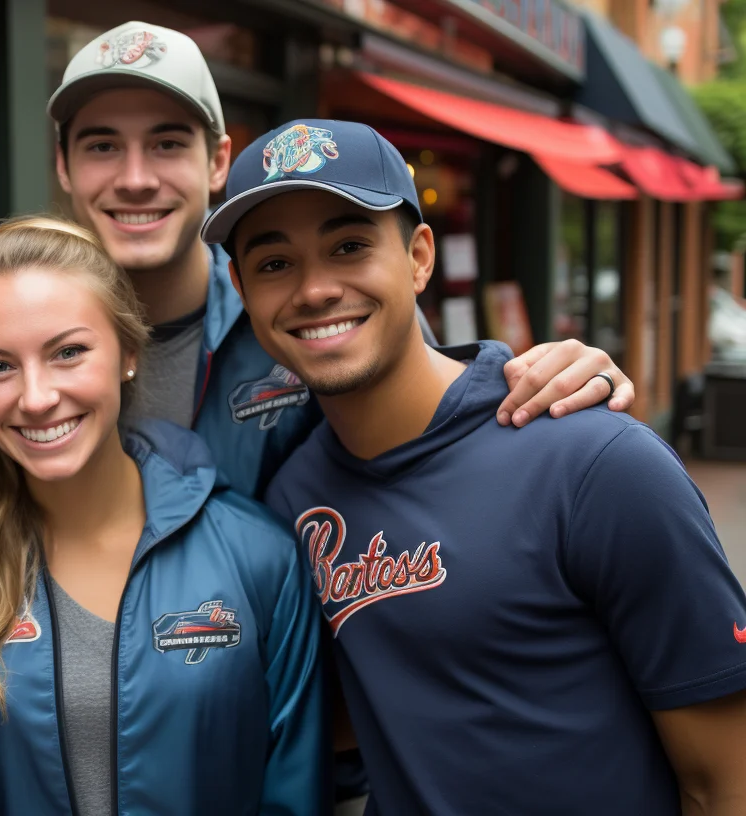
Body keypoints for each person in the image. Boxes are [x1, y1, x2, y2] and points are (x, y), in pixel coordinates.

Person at [207, 118, 746, 813]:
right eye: (275, 263)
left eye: (349, 246)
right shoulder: (291, 500)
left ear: (419, 257)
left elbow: (725, 780)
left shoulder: (595, 462)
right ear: (242, 289)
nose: (314, 289)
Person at [47, 21, 636, 501]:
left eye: (167, 143)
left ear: (216, 162)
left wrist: (554, 384)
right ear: (64, 167)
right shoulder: (28, 340)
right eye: (102, 146)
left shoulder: (299, 317)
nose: (136, 179)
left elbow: (442, 417)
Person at [0, 216, 326, 815]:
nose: (36, 396)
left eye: (68, 353)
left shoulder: (259, 559)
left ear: (127, 351)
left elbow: (294, 795)